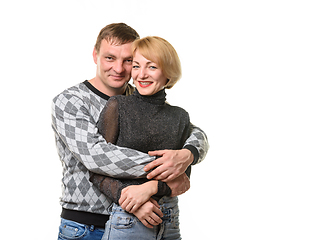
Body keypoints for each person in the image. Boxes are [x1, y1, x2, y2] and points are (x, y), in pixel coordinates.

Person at [52, 23, 209, 240]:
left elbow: (193, 132)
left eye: (128, 61)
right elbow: (97, 156)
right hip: (86, 225)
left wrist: (188, 154)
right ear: (95, 55)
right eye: (110, 58)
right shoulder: (71, 101)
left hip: (144, 223)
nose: (118, 68)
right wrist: (167, 172)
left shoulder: (143, 96)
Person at [90, 36, 194, 240]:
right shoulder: (118, 106)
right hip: (129, 219)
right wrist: (132, 199)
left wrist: (152, 187)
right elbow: (96, 169)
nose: (141, 74)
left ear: (168, 73)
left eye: (152, 67)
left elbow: (184, 178)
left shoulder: (180, 117)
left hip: (170, 219)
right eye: (136, 66)